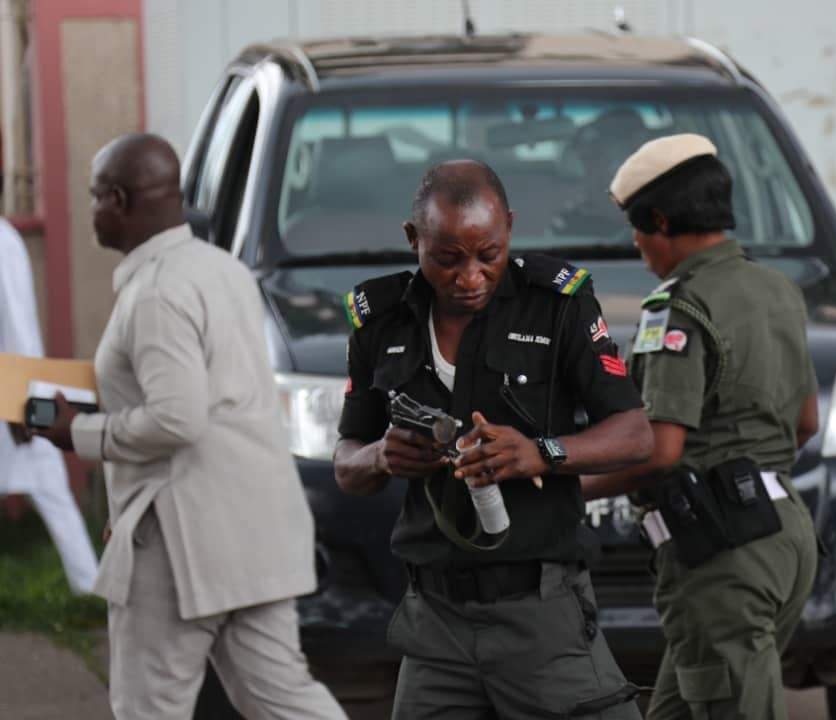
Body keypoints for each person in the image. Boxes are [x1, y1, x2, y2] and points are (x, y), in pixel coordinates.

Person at [35, 133, 345, 720]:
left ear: (120, 202)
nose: (92, 211)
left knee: (149, 706)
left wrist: (79, 433)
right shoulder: (223, 269)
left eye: (96, 197)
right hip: (256, 532)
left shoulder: (155, 294)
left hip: (181, 544)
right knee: (283, 700)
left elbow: (177, 417)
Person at [333, 160, 653, 719]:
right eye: (448, 259)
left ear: (509, 226)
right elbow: (346, 463)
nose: (471, 277)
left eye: (490, 255)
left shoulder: (558, 303)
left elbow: (634, 433)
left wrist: (542, 452)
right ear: (414, 240)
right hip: (434, 626)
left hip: (541, 617)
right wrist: (382, 455)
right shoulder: (378, 320)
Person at [582, 134, 820, 720]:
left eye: (638, 230)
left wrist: (564, 483)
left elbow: (661, 451)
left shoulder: (678, 306)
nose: (637, 246)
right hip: (785, 534)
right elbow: (806, 422)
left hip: (722, 556)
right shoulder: (777, 290)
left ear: (660, 220)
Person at [0, 218, 98, 594]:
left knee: (47, 480)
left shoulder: (4, 242)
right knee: (47, 482)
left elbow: (17, 320)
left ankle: (91, 590)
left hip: (11, 391)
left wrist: (26, 399)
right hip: (13, 389)